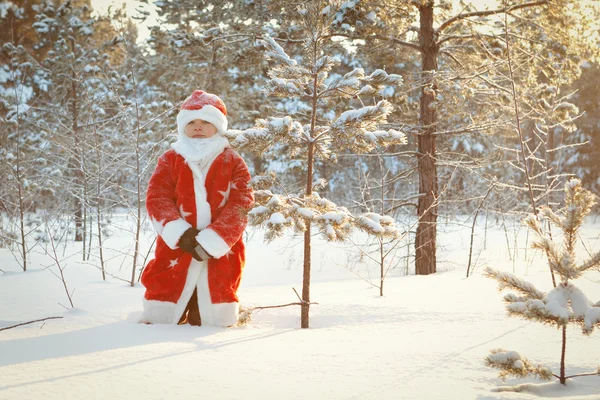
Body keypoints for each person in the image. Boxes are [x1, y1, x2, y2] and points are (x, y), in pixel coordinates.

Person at [140, 90, 254, 327]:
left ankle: (205, 311)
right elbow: (157, 197)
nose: (198, 127)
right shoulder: (170, 159)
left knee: (219, 283)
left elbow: (242, 202)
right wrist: (179, 233)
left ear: (218, 126)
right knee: (169, 280)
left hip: (222, 248)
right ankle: (169, 310)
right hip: (178, 244)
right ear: (183, 127)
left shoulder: (232, 160)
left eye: (205, 122)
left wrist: (217, 238)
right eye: (191, 122)